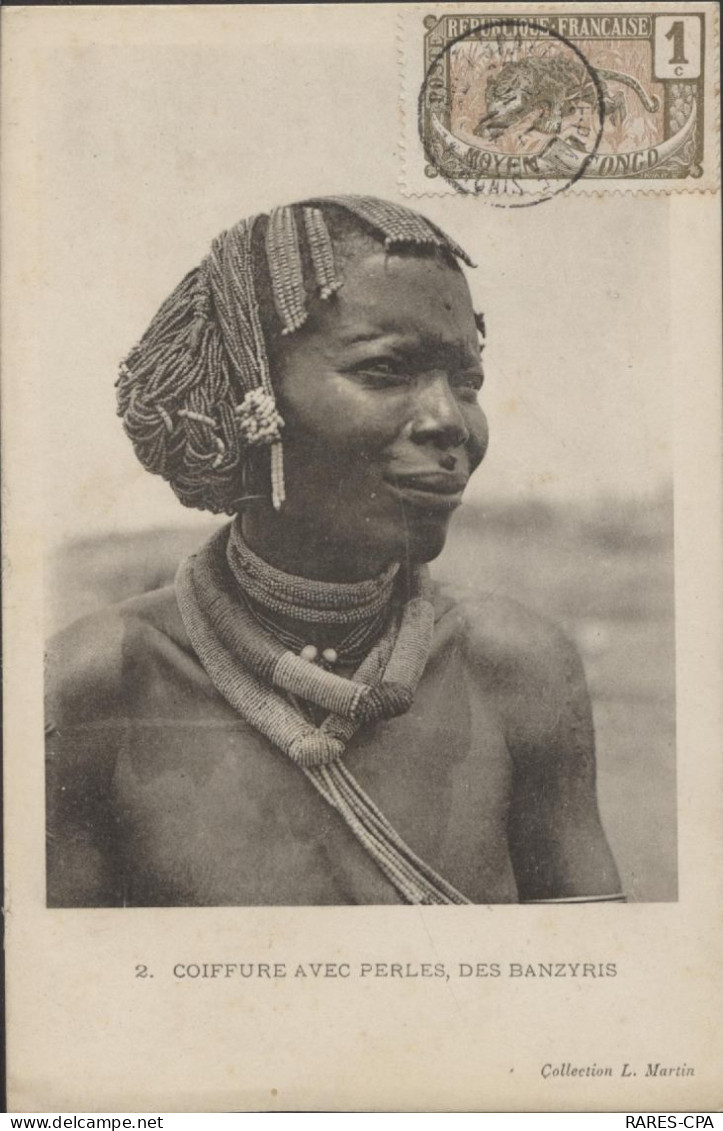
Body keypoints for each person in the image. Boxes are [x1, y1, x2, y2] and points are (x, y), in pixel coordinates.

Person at [45, 195, 623, 907]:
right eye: (385, 372)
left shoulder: (519, 668)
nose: (450, 422)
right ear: (249, 395)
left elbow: (596, 997)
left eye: (465, 382)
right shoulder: (97, 683)